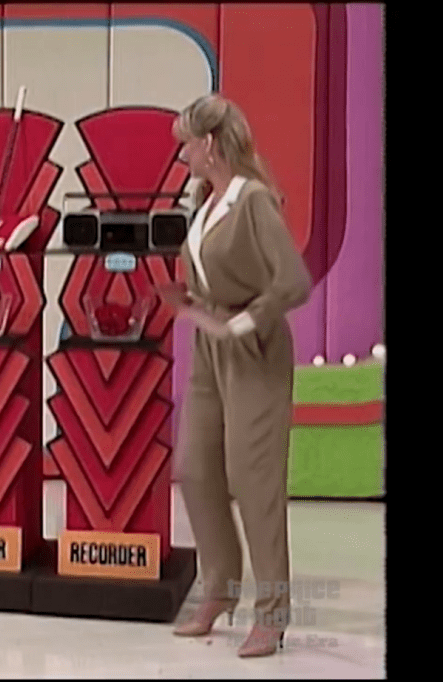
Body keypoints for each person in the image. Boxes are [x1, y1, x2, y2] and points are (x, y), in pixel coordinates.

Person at [157, 94, 312, 658]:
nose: (181, 157)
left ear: (210, 145)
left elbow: (293, 282)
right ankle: (219, 588)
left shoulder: (253, 201)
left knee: (254, 479)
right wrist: (192, 300)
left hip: (254, 347)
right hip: (209, 343)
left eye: (186, 146)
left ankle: (272, 613)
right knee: (196, 468)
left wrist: (242, 321)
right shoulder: (207, 203)